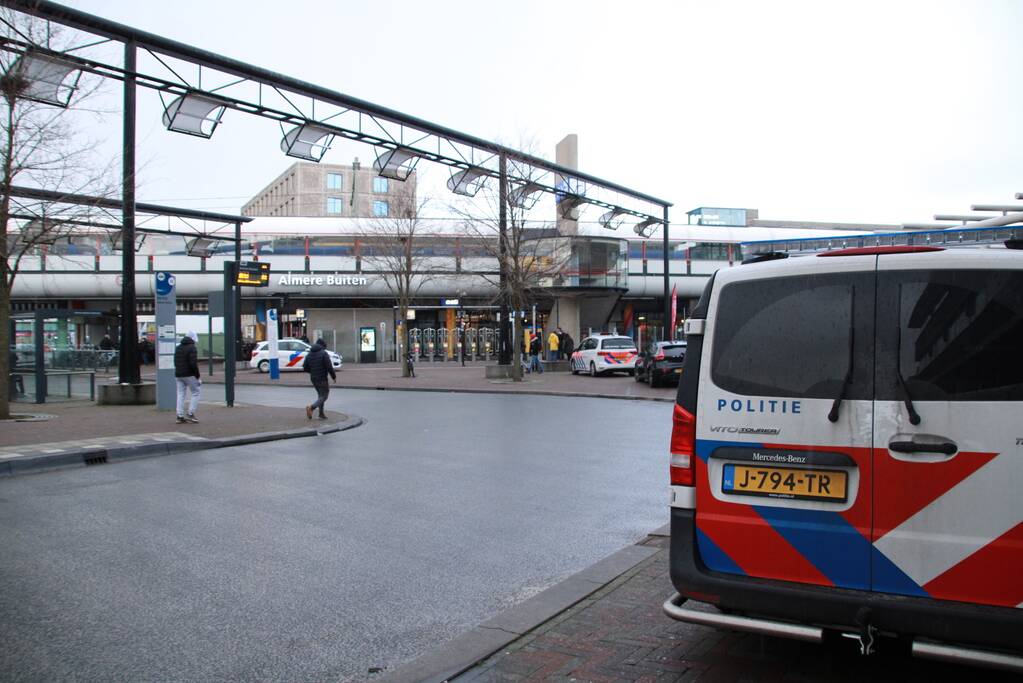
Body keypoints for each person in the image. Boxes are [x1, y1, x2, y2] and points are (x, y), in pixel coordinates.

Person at [303, 338, 336, 419]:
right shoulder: (323, 353)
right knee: (324, 396)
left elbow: (305, 367)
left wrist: (312, 372)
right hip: (322, 378)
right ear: (322, 346)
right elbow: (329, 367)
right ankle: (311, 407)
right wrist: (333, 377)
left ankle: (321, 414)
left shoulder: (309, 354)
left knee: (320, 395)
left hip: (313, 378)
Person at [174, 331, 201, 424]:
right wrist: (197, 376)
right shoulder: (192, 348)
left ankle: (179, 416)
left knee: (180, 394)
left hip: (178, 374)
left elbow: (175, 362)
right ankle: (190, 413)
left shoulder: (178, 347)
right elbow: (193, 363)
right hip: (189, 374)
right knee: (196, 392)